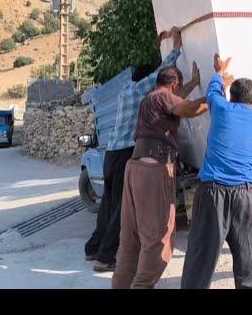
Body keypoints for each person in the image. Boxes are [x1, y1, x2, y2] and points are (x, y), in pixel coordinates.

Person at [85, 28, 200, 272]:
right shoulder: (141, 92)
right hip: (127, 153)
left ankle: (94, 247)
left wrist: (160, 46)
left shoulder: (128, 91)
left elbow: (168, 90)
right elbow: (161, 78)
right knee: (122, 210)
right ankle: (105, 258)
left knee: (108, 204)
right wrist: (176, 48)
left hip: (112, 154)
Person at [111, 65, 208, 289]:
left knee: (131, 238)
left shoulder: (152, 98)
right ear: (173, 85)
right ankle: (142, 286)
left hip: (136, 167)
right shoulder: (163, 97)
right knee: (158, 238)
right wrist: (215, 91)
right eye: (179, 87)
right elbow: (191, 108)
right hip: (153, 169)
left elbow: (178, 100)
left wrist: (193, 83)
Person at [181, 55, 252, 289]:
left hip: (212, 193)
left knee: (201, 256)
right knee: (250, 256)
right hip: (245, 195)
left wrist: (219, 73)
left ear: (232, 97)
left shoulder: (221, 108)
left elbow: (212, 92)